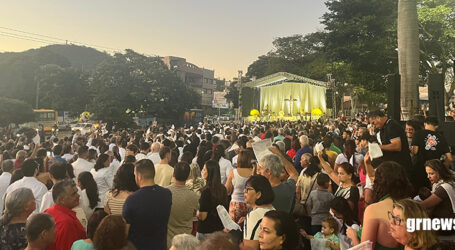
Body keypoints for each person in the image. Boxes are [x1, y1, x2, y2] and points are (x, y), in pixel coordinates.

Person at [347, 161, 413, 250]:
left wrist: (353, 236)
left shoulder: (373, 210)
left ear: (378, 183)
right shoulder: (414, 208)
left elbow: (366, 249)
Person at [123, 159, 172, 250]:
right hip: (160, 246)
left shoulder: (132, 199)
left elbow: (125, 232)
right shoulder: (167, 194)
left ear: (139, 176)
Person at [411, 116, 453, 191]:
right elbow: (449, 158)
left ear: (425, 124)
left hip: (418, 168)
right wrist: (442, 170)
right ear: (436, 126)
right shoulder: (441, 137)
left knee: (418, 192)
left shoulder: (418, 133)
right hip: (434, 170)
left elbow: (415, 151)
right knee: (433, 192)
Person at [45, 180, 86, 250]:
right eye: (74, 194)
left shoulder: (48, 212)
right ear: (61, 200)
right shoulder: (66, 222)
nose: (78, 196)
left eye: (77, 192)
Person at [166, 162, 199, 249]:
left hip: (168, 240)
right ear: (188, 176)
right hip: (185, 242)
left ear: (173, 174)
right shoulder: (193, 196)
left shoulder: (165, 192)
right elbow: (195, 214)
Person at [420, 159, 455, 237]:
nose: (428, 177)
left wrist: (408, 203)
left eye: (431, 173)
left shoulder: (444, 187)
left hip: (447, 226)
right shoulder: (443, 182)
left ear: (439, 172)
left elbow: (424, 205)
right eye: (427, 173)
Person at [197, 160, 229, 241]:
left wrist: (196, 212)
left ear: (209, 173)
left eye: (204, 170)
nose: (202, 172)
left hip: (205, 231)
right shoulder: (223, 189)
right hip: (219, 229)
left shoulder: (206, 192)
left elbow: (202, 216)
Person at [259, 147, 298, 213]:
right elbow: (294, 173)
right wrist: (279, 155)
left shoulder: (262, 192)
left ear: (268, 171)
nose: (259, 171)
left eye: (261, 168)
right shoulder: (288, 188)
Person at [242, 175, 275, 249]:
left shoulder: (254, 215)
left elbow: (249, 247)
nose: (244, 191)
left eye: (247, 189)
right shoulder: (273, 209)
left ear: (258, 194)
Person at [225, 149, 253, 223]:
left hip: (235, 204)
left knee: (233, 228)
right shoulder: (253, 172)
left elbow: (227, 190)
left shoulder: (233, 172)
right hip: (250, 204)